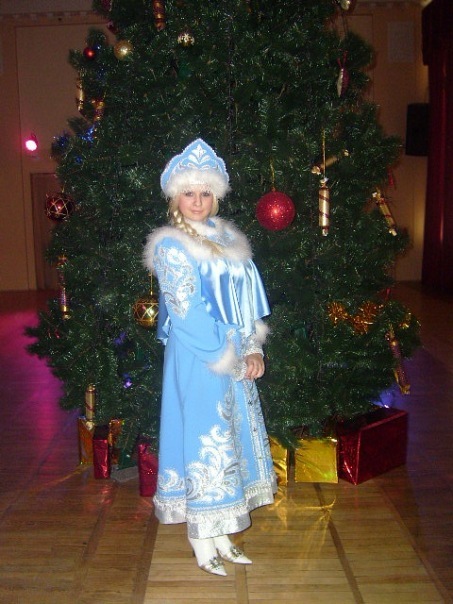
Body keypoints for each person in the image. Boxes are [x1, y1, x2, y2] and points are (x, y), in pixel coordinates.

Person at [143, 138, 277, 577]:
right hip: (199, 358)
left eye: (205, 193)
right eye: (189, 192)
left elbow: (247, 298)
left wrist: (252, 346)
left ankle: (222, 533)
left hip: (233, 353)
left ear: (215, 196)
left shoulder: (229, 238)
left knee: (230, 439)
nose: (197, 201)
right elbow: (186, 312)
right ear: (175, 197)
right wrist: (228, 354)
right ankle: (201, 537)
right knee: (205, 437)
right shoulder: (171, 245)